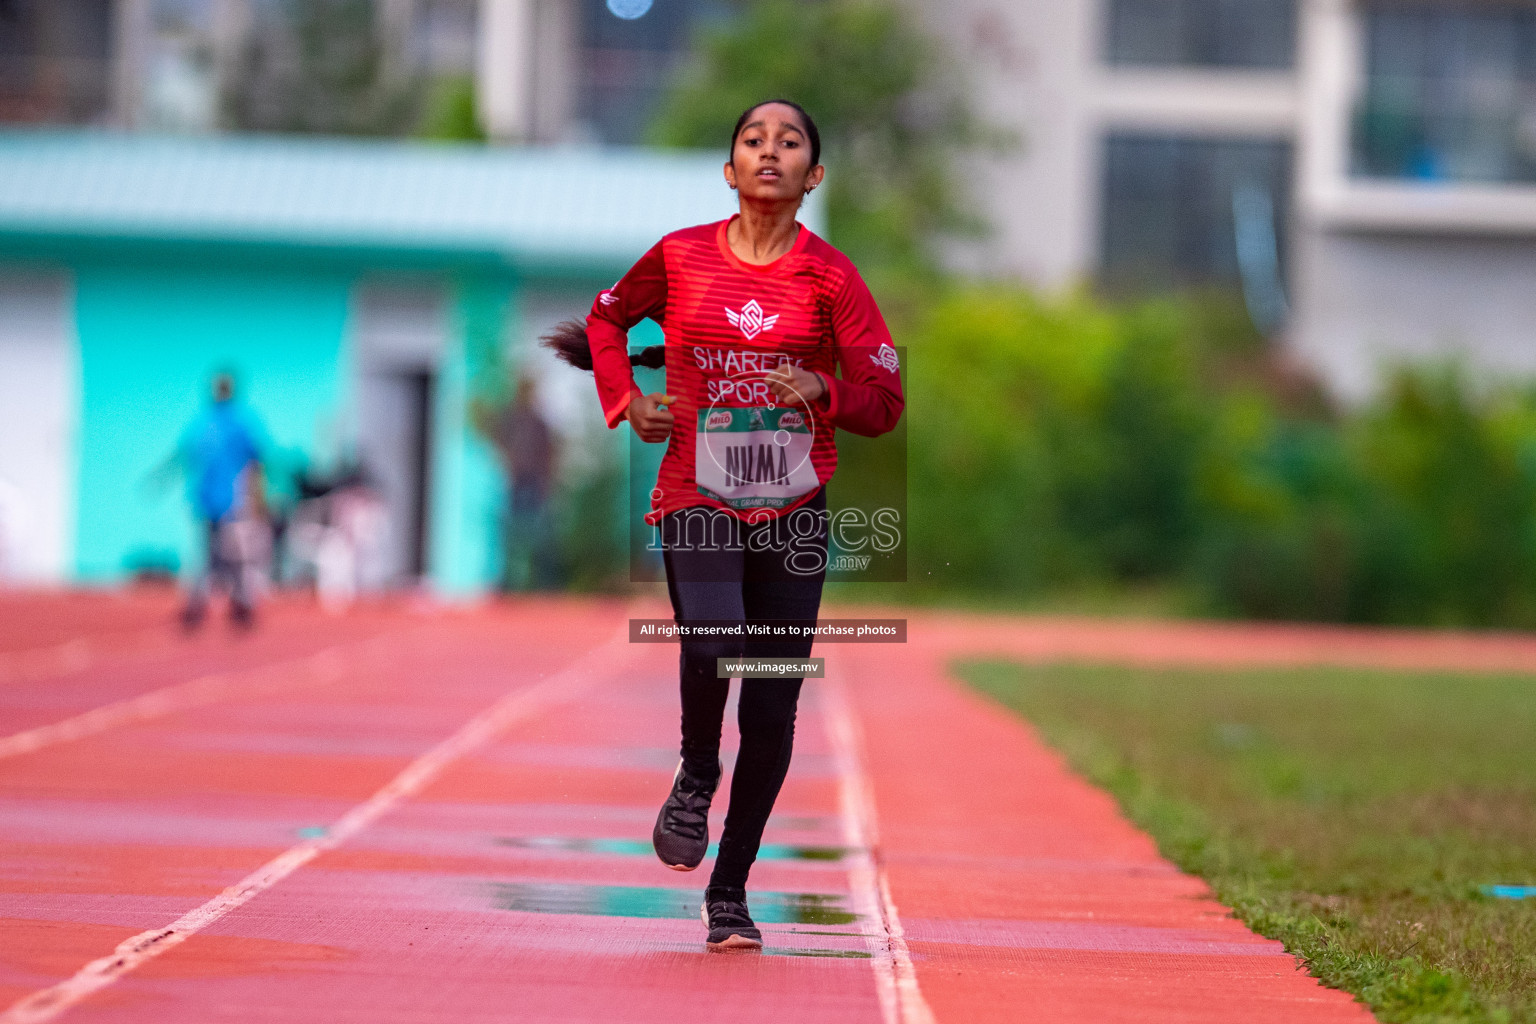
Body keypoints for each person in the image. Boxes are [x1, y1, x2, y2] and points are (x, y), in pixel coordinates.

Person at [548, 99, 904, 950]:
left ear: (813, 176)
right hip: (698, 495)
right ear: (730, 169)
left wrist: (830, 392)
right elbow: (606, 318)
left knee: (774, 705)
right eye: (753, 141)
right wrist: (627, 400)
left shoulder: (834, 280)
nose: (770, 152)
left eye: (790, 144)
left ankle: (731, 894)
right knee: (716, 639)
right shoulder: (678, 257)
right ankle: (696, 770)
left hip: (792, 508)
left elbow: (887, 404)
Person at [175, 372, 269, 629]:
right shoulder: (211, 422)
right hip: (212, 500)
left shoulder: (229, 423)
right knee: (215, 554)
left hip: (230, 500)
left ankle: (234, 603)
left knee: (228, 555)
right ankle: (212, 604)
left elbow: (256, 460)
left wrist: (258, 497)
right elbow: (185, 455)